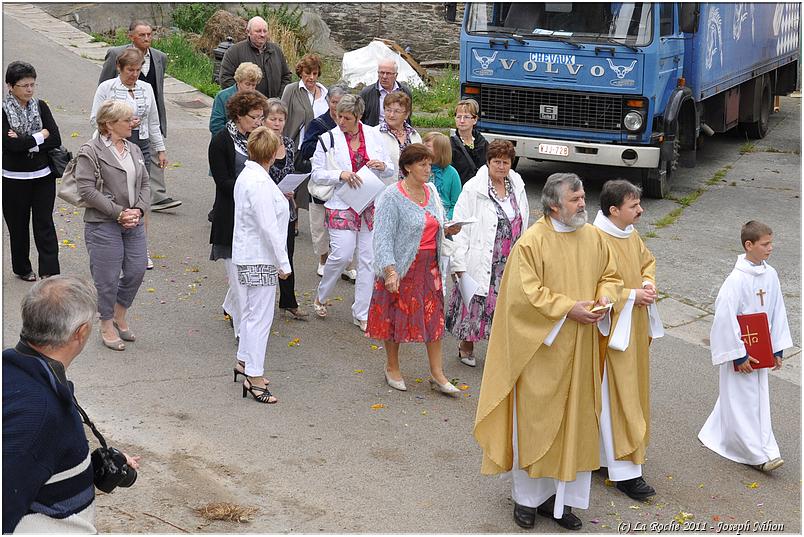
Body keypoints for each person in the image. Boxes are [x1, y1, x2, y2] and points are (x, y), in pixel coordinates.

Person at [473, 173, 621, 531]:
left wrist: (605, 298)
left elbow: (611, 276)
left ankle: (561, 499)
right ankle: (527, 500)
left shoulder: (592, 238)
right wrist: (570, 308)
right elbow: (525, 296)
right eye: (575, 199)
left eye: (583, 196)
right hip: (542, 351)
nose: (584, 203)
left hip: (582, 349)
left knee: (576, 423)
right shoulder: (531, 244)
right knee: (537, 425)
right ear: (554, 205)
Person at [3, 276, 140, 533]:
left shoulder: (22, 373)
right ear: (81, 332)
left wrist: (85, 466)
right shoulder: (39, 413)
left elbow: (35, 459)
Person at [698, 221, 792, 472]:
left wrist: (777, 349)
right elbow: (725, 318)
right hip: (742, 350)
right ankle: (756, 455)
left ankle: (726, 434)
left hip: (762, 349)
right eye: (765, 244)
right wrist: (738, 355)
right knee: (742, 398)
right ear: (749, 245)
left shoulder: (770, 274)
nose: (770, 248)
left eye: (771, 243)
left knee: (755, 398)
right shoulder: (735, 280)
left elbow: (777, 311)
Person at [368, 144, 461, 395]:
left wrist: (448, 228)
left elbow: (435, 224)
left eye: (429, 164)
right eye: (422, 164)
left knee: (434, 319)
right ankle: (392, 366)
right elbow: (383, 237)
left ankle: (437, 373)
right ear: (408, 167)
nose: (428, 169)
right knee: (395, 317)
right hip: (402, 266)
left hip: (430, 267)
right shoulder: (391, 196)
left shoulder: (431, 190)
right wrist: (389, 270)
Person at [593, 180, 661, 501]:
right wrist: (633, 294)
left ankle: (604, 458)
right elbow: (594, 287)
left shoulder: (629, 234)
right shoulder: (595, 240)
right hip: (611, 333)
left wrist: (647, 283)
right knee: (618, 397)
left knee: (629, 393)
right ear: (614, 210)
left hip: (633, 325)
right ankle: (626, 472)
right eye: (634, 206)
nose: (641, 210)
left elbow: (646, 262)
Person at [309, 94, 394, 329]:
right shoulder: (327, 139)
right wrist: (340, 174)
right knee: (343, 254)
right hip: (342, 201)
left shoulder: (375, 136)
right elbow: (316, 173)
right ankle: (322, 294)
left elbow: (391, 169)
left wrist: (383, 166)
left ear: (358, 117)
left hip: (369, 202)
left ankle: (362, 312)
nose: (341, 121)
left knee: (368, 259)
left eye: (347, 118)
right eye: (338, 116)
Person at [446, 140, 529, 367]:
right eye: (496, 162)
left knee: (502, 305)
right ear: (488, 162)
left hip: (508, 258)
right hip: (481, 255)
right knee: (475, 303)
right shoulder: (473, 188)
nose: (501, 167)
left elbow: (523, 222)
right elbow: (460, 227)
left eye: (505, 162)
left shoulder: (517, 185)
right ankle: (466, 345)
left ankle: (497, 347)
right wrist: (459, 264)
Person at [78, 99, 150, 351]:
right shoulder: (91, 150)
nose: (133, 123)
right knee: (106, 278)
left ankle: (120, 312)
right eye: (127, 120)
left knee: (136, 269)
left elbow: (145, 184)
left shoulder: (134, 149)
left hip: (134, 221)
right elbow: (86, 190)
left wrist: (139, 209)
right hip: (103, 223)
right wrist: (119, 213)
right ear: (109, 124)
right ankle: (106, 323)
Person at [232, 126, 291, 404]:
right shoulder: (257, 182)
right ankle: (254, 376)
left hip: (252, 254)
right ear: (273, 153)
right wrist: (283, 262)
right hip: (259, 256)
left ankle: (244, 361)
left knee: (252, 313)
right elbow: (268, 226)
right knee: (259, 317)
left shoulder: (252, 175)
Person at [93, 47, 166, 270]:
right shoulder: (108, 88)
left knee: (141, 196)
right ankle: (114, 243)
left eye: (138, 69)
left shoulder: (146, 88)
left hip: (140, 145)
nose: (134, 74)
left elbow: (153, 122)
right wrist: (120, 124)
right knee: (116, 195)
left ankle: (140, 247)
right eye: (130, 70)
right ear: (119, 68)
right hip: (111, 146)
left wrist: (160, 149)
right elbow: (94, 118)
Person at [99, 20, 181, 211]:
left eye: (149, 34)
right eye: (142, 35)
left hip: (147, 116)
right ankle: (117, 201)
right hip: (117, 122)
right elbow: (103, 87)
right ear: (131, 36)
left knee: (150, 154)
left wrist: (159, 124)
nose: (146, 38)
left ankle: (156, 196)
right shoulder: (115, 55)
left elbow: (157, 88)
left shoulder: (159, 57)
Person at [209, 90, 268, 350]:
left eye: (261, 117)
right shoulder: (221, 141)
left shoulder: (260, 138)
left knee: (243, 274)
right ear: (238, 116)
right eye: (254, 117)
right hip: (231, 216)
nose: (258, 122)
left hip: (255, 216)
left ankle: (229, 306)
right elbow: (222, 181)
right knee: (238, 275)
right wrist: (251, 190)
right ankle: (243, 334)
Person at [3, 61, 62, 281]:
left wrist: (26, 140)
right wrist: (40, 136)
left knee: (44, 223)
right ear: (10, 86)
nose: (29, 89)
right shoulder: (3, 111)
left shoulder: (41, 106)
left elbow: (55, 137)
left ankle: (49, 270)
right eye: (24, 85)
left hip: (43, 176)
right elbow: (10, 146)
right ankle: (22, 268)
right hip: (13, 178)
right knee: (18, 227)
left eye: (32, 84)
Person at [299, 85, 350, 278]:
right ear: (328, 102)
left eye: (341, 103)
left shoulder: (352, 124)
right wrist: (326, 144)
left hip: (345, 184)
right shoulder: (319, 123)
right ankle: (323, 260)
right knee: (320, 225)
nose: (337, 107)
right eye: (334, 102)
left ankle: (346, 263)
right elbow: (306, 149)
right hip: (323, 183)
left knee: (346, 223)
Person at [264, 98, 307, 319]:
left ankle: (288, 301)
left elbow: (291, 170)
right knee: (265, 255)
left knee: (287, 254)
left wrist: (292, 190)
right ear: (265, 120)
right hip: (267, 208)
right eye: (273, 118)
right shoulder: (259, 144)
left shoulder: (289, 144)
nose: (277, 123)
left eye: (281, 119)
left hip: (287, 207)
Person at [219, 16, 292, 99]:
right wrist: (246, 100)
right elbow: (226, 79)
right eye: (258, 31)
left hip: (273, 108)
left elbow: (286, 76)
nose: (262, 34)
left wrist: (279, 98)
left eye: (265, 31)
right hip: (246, 107)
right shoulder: (234, 52)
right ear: (248, 32)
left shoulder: (276, 51)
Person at [281, 53, 328, 150]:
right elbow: (281, 115)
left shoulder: (326, 93)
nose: (311, 77)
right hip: (298, 148)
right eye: (307, 73)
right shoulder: (291, 90)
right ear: (301, 73)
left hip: (322, 147)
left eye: (314, 74)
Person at [375, 91, 421, 179]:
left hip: (410, 188)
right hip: (385, 188)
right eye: (388, 110)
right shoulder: (374, 133)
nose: (391, 115)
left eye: (397, 111)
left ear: (406, 114)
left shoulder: (414, 136)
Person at [209, 62, 263, 136]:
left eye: (253, 85)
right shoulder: (222, 96)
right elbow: (215, 126)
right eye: (247, 84)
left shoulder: (258, 99)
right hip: (225, 141)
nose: (250, 89)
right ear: (238, 81)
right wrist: (237, 137)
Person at [359, 57, 413, 127]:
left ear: (396, 75)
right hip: (374, 134)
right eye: (381, 72)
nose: (384, 76)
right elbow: (359, 118)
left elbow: (407, 115)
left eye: (388, 73)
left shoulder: (405, 92)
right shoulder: (367, 93)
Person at [422, 131, 462, 220]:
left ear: (439, 150)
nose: (422, 149)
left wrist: (447, 221)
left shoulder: (452, 173)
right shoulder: (419, 168)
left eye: (427, 146)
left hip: (445, 218)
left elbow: (456, 203)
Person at [450, 98, 488, 185]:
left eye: (466, 117)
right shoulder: (450, 145)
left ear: (475, 120)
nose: (462, 121)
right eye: (459, 117)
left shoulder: (483, 143)